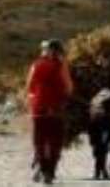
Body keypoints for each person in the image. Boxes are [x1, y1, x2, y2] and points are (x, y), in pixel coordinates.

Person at [26, 39, 75, 183]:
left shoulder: (35, 65)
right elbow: (68, 87)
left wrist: (34, 99)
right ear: (58, 52)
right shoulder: (61, 66)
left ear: (45, 52)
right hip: (56, 109)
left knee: (39, 142)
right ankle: (50, 172)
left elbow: (29, 87)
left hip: (38, 110)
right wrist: (67, 96)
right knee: (56, 141)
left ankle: (43, 168)